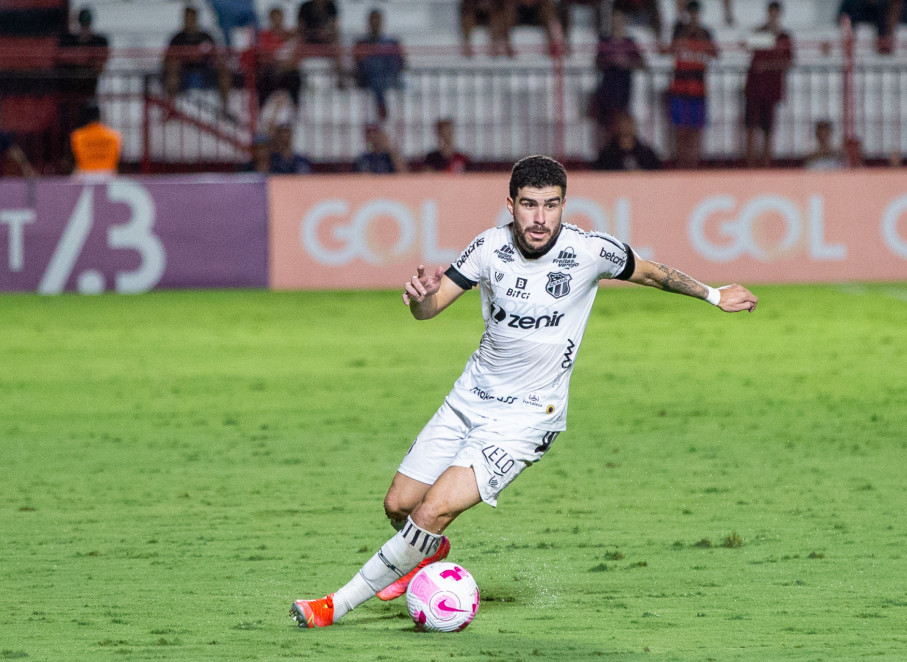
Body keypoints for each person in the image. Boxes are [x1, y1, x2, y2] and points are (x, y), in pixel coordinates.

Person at [288, 154, 758, 629]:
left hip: (529, 416)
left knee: (433, 509)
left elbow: (653, 273)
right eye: (529, 205)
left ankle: (335, 605)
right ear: (510, 204)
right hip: (470, 398)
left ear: (563, 205)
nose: (540, 218)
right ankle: (427, 552)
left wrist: (714, 296)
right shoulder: (489, 249)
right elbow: (430, 310)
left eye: (551, 206)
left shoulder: (590, 250)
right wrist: (419, 298)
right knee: (400, 506)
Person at [663, 0, 718, 169]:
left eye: (696, 13)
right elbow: (669, 49)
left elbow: (715, 53)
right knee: (680, 131)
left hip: (698, 88)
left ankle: (693, 166)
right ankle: (681, 165)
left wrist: (700, 37)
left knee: (696, 131)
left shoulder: (705, 32)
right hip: (680, 87)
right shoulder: (679, 30)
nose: (693, 17)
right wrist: (686, 33)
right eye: (691, 13)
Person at [743, 1, 793, 168]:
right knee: (751, 126)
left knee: (768, 128)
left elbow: (789, 61)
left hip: (770, 88)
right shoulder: (761, 32)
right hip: (755, 87)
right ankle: (750, 164)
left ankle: (765, 164)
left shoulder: (784, 36)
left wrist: (769, 66)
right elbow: (746, 46)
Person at [162, 5, 233, 117]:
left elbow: (216, 55)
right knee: (172, 69)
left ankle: (225, 108)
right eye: (187, 18)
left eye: (192, 18)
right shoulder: (177, 38)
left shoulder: (205, 36)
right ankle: (171, 109)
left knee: (223, 69)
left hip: (204, 72)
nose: (189, 21)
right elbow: (167, 58)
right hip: (183, 73)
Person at [590, 10, 645, 138]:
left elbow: (641, 63)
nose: (617, 24)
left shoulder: (630, 42)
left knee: (621, 121)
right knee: (606, 123)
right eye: (615, 21)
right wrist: (611, 63)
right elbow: (597, 63)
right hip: (608, 86)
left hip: (623, 86)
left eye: (620, 21)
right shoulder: (605, 40)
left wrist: (627, 63)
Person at [353, 9, 405, 121]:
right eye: (373, 20)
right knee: (375, 71)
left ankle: (380, 106)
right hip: (367, 78)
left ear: (382, 22)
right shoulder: (361, 42)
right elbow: (357, 63)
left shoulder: (392, 42)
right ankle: (381, 106)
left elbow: (400, 63)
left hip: (387, 77)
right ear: (368, 22)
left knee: (378, 73)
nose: (375, 23)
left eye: (377, 20)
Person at [252, 6, 302, 111]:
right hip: (271, 72)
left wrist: (284, 65)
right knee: (264, 76)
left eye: (279, 18)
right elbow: (263, 56)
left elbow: (295, 57)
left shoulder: (290, 35)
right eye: (274, 18)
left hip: (286, 72)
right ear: (270, 19)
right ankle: (260, 109)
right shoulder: (264, 35)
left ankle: (296, 108)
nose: (277, 21)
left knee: (295, 76)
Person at [57, 7, 110, 107]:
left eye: (86, 25)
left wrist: (81, 60)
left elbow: (100, 63)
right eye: (83, 25)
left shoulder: (98, 41)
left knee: (90, 109)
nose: (85, 28)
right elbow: (63, 59)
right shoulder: (69, 40)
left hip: (90, 88)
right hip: (72, 88)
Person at [593, 112, 663, 170]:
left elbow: (658, 174)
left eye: (628, 123)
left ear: (634, 126)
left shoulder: (647, 154)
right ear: (616, 127)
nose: (625, 126)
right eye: (622, 123)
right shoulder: (607, 155)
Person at [297, 0, 345, 85]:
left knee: (338, 48)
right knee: (296, 48)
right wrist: (313, 34)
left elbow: (334, 28)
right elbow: (300, 29)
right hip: (308, 41)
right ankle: (295, 78)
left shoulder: (331, 6)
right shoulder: (305, 7)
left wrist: (328, 35)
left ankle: (340, 79)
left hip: (326, 42)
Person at [70, 102, 121, 175]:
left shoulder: (77, 136)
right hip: (108, 175)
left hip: (85, 175)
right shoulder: (115, 136)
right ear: (100, 116)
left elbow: (75, 161)